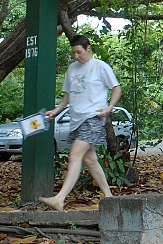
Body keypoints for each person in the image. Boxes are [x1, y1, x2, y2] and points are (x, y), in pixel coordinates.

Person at [39, 35, 122, 211]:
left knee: (75, 155)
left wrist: (110, 107)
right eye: (74, 53)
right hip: (75, 120)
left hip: (93, 117)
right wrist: (56, 110)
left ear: (88, 48)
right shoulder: (72, 69)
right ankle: (109, 197)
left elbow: (116, 88)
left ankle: (59, 199)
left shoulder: (100, 67)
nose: (76, 56)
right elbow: (68, 95)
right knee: (90, 159)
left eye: (79, 52)